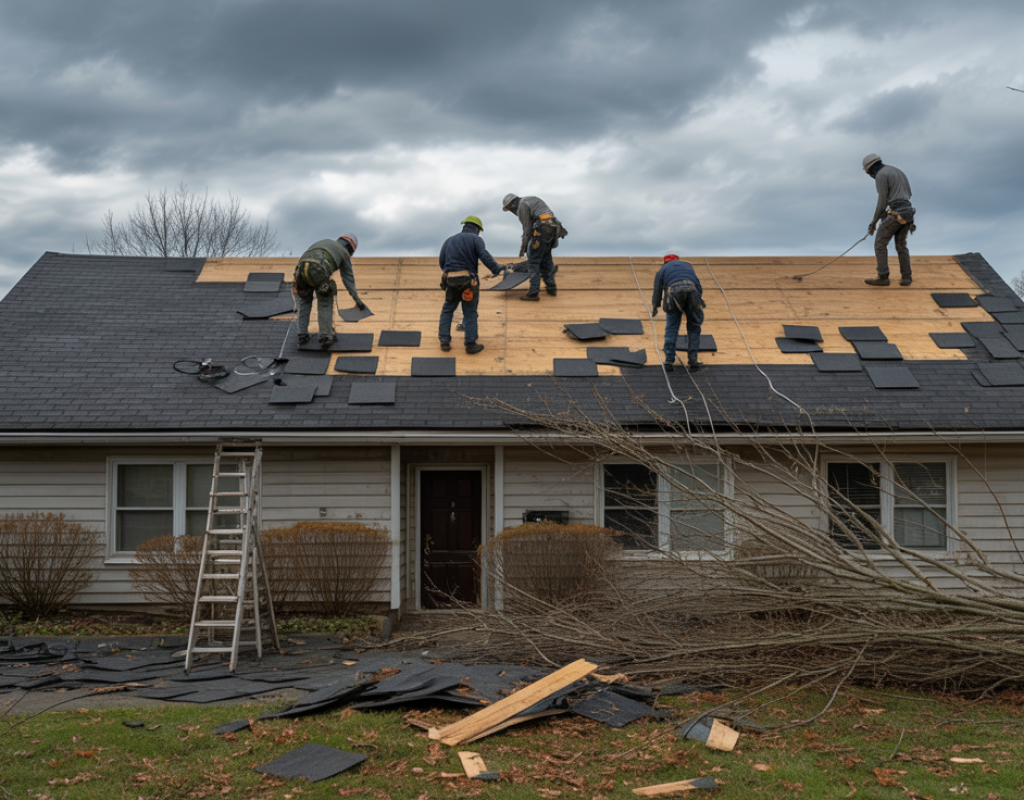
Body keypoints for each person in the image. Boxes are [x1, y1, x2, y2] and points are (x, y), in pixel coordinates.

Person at [438, 216, 503, 354]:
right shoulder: (476, 239)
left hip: (451, 280)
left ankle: (444, 341)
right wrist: (496, 269)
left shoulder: (449, 240)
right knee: (469, 312)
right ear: (477, 229)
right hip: (468, 281)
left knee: (448, 309)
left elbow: (442, 261)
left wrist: (450, 272)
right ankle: (470, 344)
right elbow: (484, 255)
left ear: (465, 226)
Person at [293, 233, 364, 347]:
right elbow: (348, 278)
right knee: (325, 297)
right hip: (317, 269)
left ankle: (302, 335)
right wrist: (358, 301)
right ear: (350, 249)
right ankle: (325, 336)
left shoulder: (325, 243)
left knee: (305, 301)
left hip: (300, 272)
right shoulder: (343, 252)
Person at [862, 154, 916, 287]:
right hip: (908, 212)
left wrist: (873, 223)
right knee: (901, 245)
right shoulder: (896, 171)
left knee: (880, 243)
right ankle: (907, 277)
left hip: (896, 213)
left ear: (870, 169)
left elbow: (882, 201)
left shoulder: (880, 175)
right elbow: (905, 195)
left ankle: (883, 276)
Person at [502, 193, 566, 301]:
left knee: (533, 262)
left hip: (542, 229)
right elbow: (548, 215)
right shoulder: (531, 199)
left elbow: (527, 229)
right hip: (553, 229)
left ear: (513, 204)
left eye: (510, 209)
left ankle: (533, 292)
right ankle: (551, 287)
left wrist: (524, 248)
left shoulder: (522, 205)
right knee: (546, 259)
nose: (512, 212)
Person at [652, 254, 704, 372]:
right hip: (692, 291)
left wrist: (655, 306)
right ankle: (693, 361)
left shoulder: (662, 270)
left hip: (673, 292)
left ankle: (669, 361)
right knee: (694, 326)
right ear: (677, 260)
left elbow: (657, 290)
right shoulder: (687, 266)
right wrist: (696, 306)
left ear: (665, 262)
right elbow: (698, 285)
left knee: (672, 326)